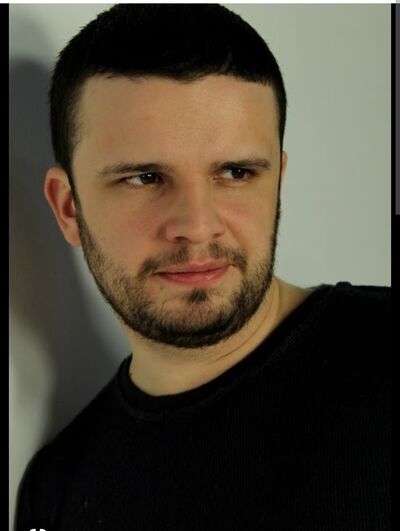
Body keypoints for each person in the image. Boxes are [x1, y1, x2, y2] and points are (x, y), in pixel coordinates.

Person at [15, 4, 390, 530]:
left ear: (277, 183)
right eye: (145, 178)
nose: (196, 225)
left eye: (236, 173)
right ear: (68, 208)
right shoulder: (53, 491)